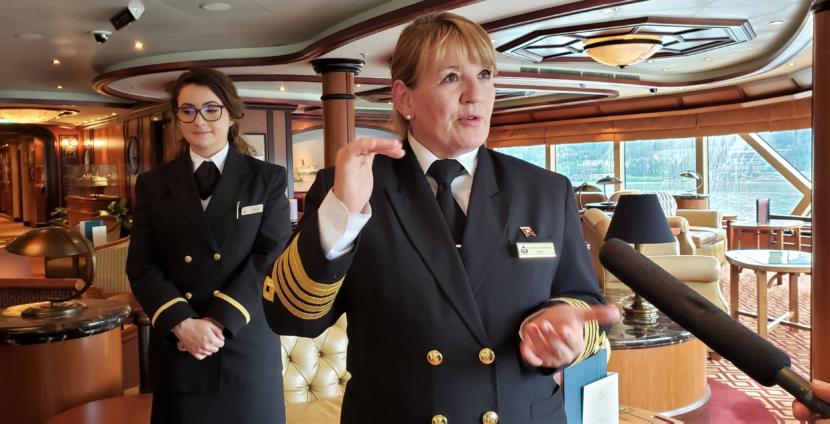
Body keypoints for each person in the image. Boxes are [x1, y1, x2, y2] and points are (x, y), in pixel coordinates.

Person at [261, 12, 619, 423]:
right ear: (404, 98)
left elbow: (586, 302)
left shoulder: (545, 190)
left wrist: (566, 327)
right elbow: (291, 316)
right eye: (451, 77)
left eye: (484, 75)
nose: (475, 94)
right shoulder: (349, 186)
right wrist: (343, 215)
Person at [126, 67, 292, 423]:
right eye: (187, 110)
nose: (199, 119)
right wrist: (182, 323)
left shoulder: (268, 179)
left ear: (231, 114)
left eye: (211, 109)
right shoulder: (153, 184)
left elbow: (271, 256)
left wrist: (218, 322)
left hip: (243, 343)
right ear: (177, 117)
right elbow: (142, 265)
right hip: (180, 346)